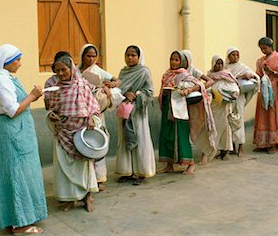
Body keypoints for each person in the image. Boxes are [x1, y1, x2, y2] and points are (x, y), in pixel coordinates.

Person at [0, 44, 47, 235]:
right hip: (13, 132)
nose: (20, 64)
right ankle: (20, 224)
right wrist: (33, 96)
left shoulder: (6, 78)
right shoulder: (0, 81)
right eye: (17, 60)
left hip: (19, 132)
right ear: (7, 61)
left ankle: (23, 216)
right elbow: (13, 110)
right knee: (17, 174)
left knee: (24, 173)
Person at [48, 56, 101, 212]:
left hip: (81, 134)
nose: (61, 73)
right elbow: (53, 109)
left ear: (71, 69)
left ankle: (87, 197)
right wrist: (52, 116)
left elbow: (94, 108)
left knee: (84, 166)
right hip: (63, 133)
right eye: (57, 71)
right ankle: (71, 198)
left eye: (63, 69)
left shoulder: (82, 86)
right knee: (64, 168)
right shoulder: (56, 89)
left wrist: (92, 119)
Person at [158, 51, 216, 175]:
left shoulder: (185, 75)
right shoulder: (166, 74)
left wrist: (189, 90)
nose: (173, 62)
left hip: (180, 110)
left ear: (183, 62)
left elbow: (200, 84)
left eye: (176, 60)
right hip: (168, 109)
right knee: (167, 136)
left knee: (182, 136)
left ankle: (190, 164)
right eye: (172, 59)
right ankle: (169, 164)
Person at [78, 43, 119, 191]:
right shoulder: (75, 71)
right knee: (84, 143)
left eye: (94, 56)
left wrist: (108, 85)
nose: (91, 59)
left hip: (96, 113)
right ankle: (86, 179)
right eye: (88, 56)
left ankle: (100, 179)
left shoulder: (97, 70)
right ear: (82, 56)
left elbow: (117, 80)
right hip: (81, 113)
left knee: (98, 142)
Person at [115, 46, 156, 185]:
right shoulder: (123, 72)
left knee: (140, 139)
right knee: (124, 138)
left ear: (139, 57)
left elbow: (149, 91)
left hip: (138, 112)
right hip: (124, 110)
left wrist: (137, 95)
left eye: (133, 55)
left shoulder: (144, 72)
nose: (130, 58)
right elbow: (117, 89)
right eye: (127, 55)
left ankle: (141, 172)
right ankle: (127, 171)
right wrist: (125, 93)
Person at [253, 38, 278, 154]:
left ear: (270, 47)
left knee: (273, 115)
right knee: (263, 115)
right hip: (263, 91)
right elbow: (258, 74)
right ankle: (262, 143)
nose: (263, 50)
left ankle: (274, 142)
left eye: (265, 48)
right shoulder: (260, 60)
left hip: (274, 91)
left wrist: (271, 71)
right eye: (261, 48)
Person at [225, 47, 259, 157]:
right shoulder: (225, 68)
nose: (235, 57)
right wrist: (239, 77)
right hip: (229, 98)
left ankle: (240, 146)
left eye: (237, 55)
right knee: (228, 121)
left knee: (239, 120)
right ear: (228, 56)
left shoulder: (242, 67)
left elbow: (255, 77)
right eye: (233, 55)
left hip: (239, 98)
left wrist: (249, 77)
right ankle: (231, 147)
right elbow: (225, 80)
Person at [207, 55, 240, 160]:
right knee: (215, 128)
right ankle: (216, 149)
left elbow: (234, 87)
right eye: (217, 63)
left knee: (226, 128)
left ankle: (226, 151)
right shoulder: (210, 75)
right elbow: (207, 87)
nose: (220, 66)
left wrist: (233, 94)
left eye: (221, 63)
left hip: (225, 106)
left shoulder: (226, 75)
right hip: (214, 106)